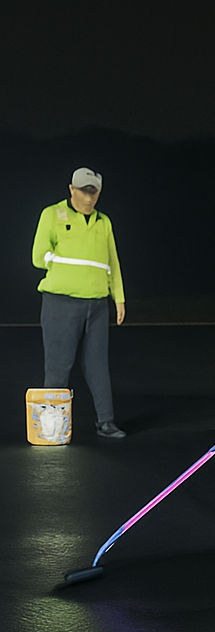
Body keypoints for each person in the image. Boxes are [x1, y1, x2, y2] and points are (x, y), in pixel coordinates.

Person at [32, 167, 126, 438]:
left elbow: (113, 263)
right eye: (84, 191)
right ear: (72, 189)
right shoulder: (52, 215)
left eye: (93, 192)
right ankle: (52, 428)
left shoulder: (103, 222)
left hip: (96, 305)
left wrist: (118, 298)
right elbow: (38, 256)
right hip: (61, 302)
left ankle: (106, 422)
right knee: (58, 366)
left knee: (98, 363)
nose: (89, 197)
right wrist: (65, 267)